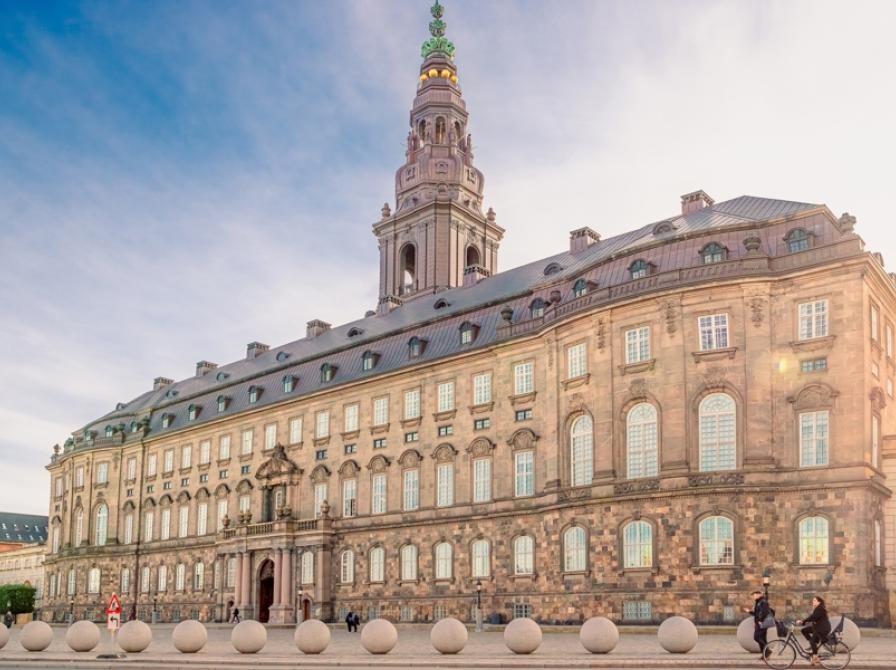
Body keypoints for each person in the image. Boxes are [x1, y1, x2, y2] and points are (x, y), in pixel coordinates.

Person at [797, 596, 831, 667]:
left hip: (822, 628)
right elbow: (813, 618)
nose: (813, 602)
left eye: (815, 600)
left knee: (812, 641)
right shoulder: (817, 608)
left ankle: (815, 657)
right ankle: (813, 644)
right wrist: (803, 622)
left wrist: (803, 621)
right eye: (813, 600)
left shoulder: (820, 609)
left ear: (819, 602)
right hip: (817, 627)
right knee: (804, 630)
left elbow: (813, 617)